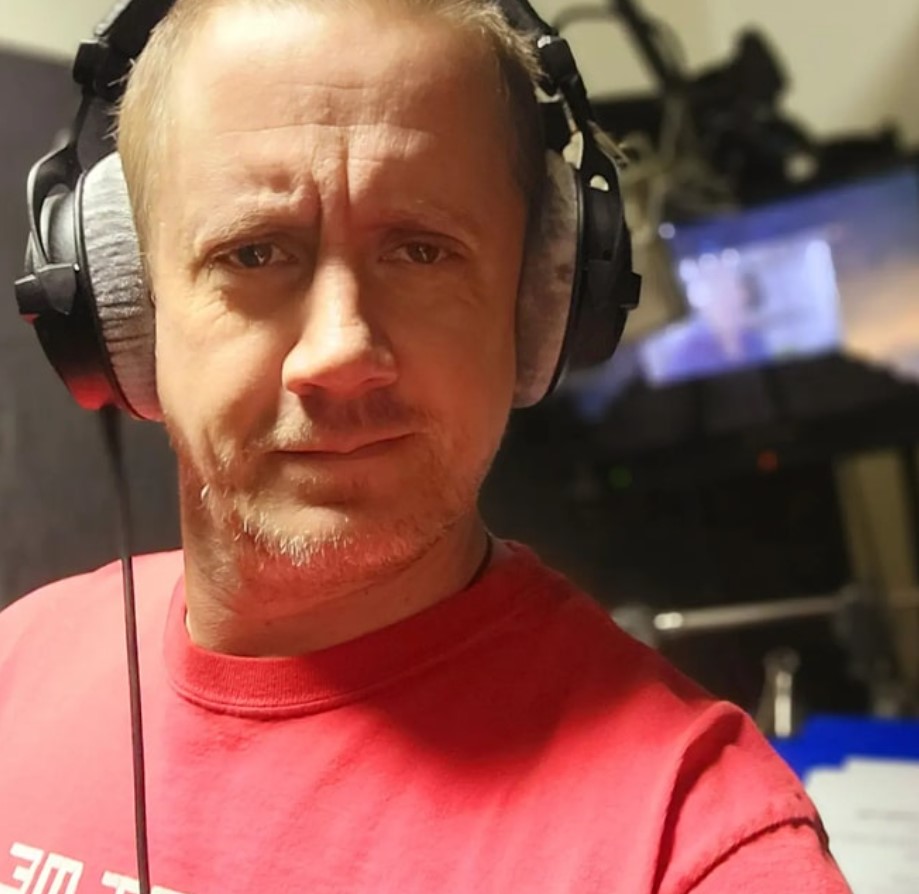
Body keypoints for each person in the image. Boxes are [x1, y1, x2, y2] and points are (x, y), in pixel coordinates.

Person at [0, 1, 851, 892]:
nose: (340, 354)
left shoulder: (694, 840)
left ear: (541, 302)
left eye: (421, 252)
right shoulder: (22, 659)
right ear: (122, 309)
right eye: (252, 253)